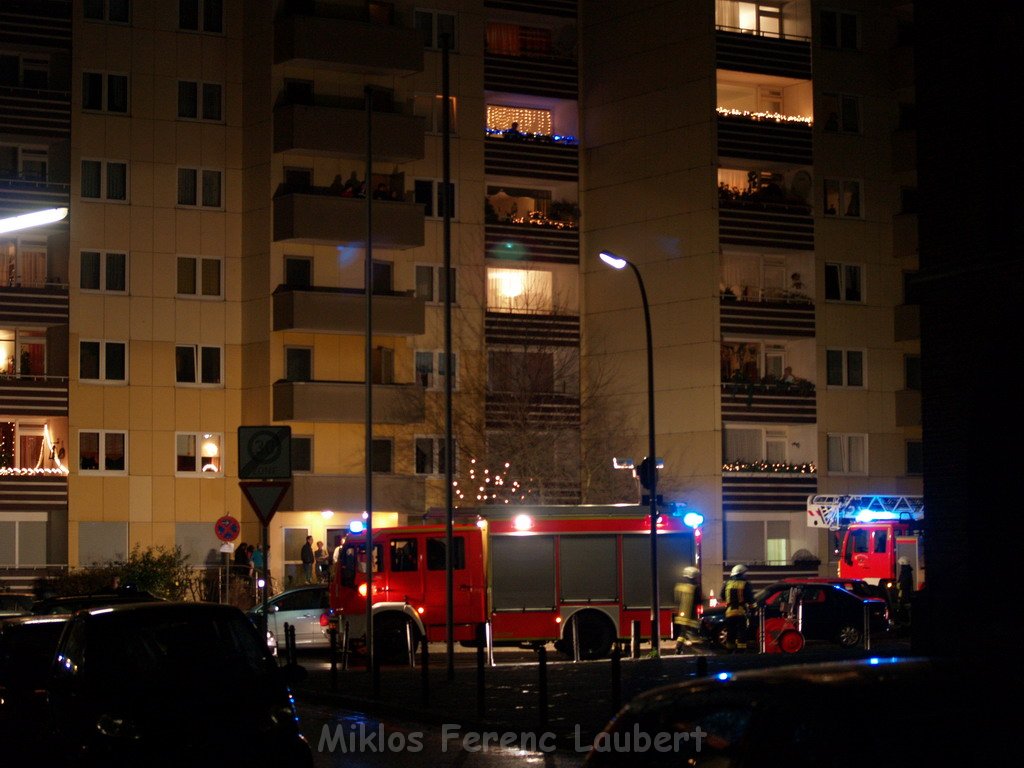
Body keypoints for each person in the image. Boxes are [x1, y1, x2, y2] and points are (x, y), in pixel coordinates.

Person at [722, 563, 754, 653]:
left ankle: (729, 650)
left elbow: (722, 596)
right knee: (741, 632)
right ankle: (741, 651)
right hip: (740, 612)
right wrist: (753, 609)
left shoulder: (727, 583)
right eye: (745, 573)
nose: (746, 575)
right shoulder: (746, 584)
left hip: (729, 612)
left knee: (730, 632)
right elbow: (750, 598)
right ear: (741, 574)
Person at [673, 566, 704, 653]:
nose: (698, 579)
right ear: (693, 577)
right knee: (692, 633)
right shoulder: (696, 588)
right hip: (691, 615)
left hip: (681, 615)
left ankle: (678, 648)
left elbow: (677, 600)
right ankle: (696, 650)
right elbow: (699, 601)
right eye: (697, 577)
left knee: (682, 633)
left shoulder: (679, 587)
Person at [896, 556, 914, 623]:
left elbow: (903, 583)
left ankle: (905, 622)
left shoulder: (905, 572)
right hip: (905, 593)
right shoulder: (907, 571)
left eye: (901, 565)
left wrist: (899, 585)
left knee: (904, 608)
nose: (900, 566)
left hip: (905, 594)